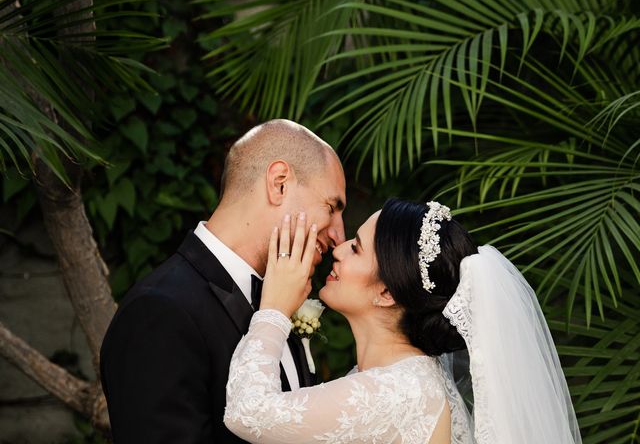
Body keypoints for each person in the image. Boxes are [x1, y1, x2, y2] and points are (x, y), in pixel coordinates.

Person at [224, 198, 583, 444]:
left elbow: (247, 413)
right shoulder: (403, 379)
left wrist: (272, 309)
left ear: (386, 293)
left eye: (356, 247)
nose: (338, 248)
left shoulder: (402, 391)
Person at [100, 119, 347, 443]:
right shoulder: (159, 312)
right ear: (279, 183)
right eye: (331, 207)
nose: (338, 236)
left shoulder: (279, 303)